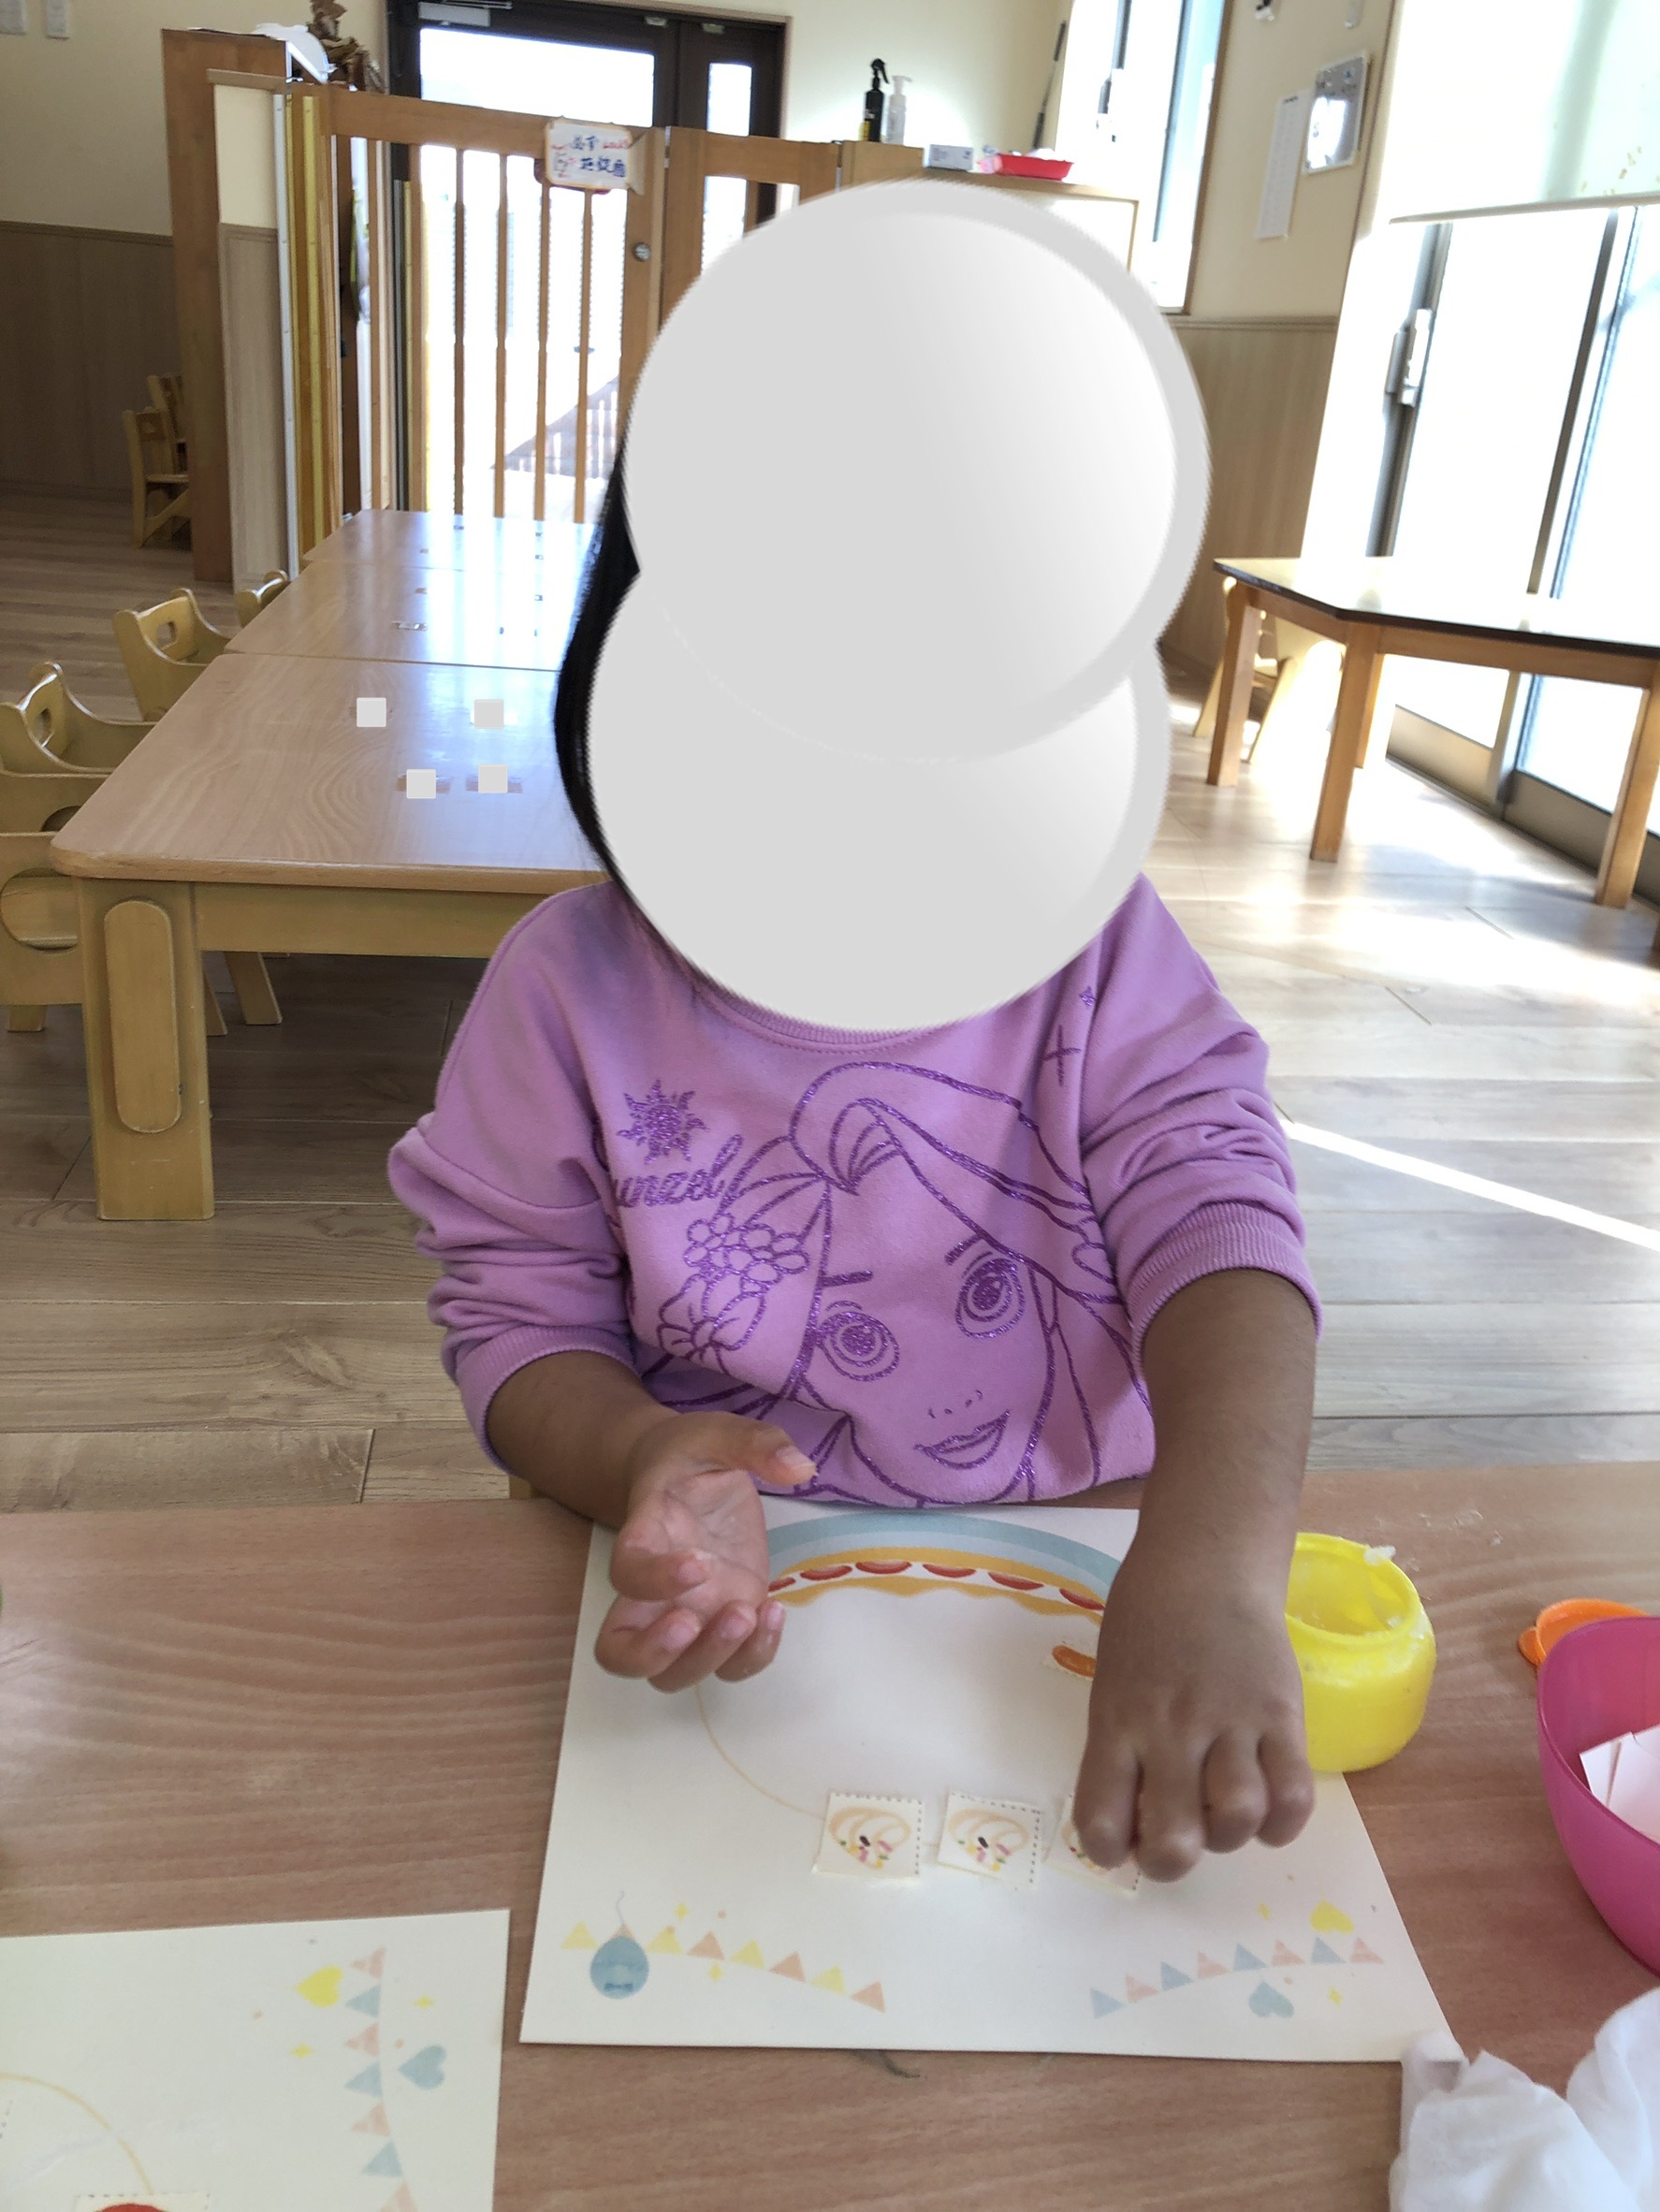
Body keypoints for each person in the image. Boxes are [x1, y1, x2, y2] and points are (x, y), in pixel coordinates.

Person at [387, 467, 1321, 1886]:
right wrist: (635, 1453)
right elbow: (518, 1322)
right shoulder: (567, 989)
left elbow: (1220, 1221)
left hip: (1097, 1559)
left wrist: (1214, 1564)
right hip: (737, 1592)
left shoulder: (1100, 950)